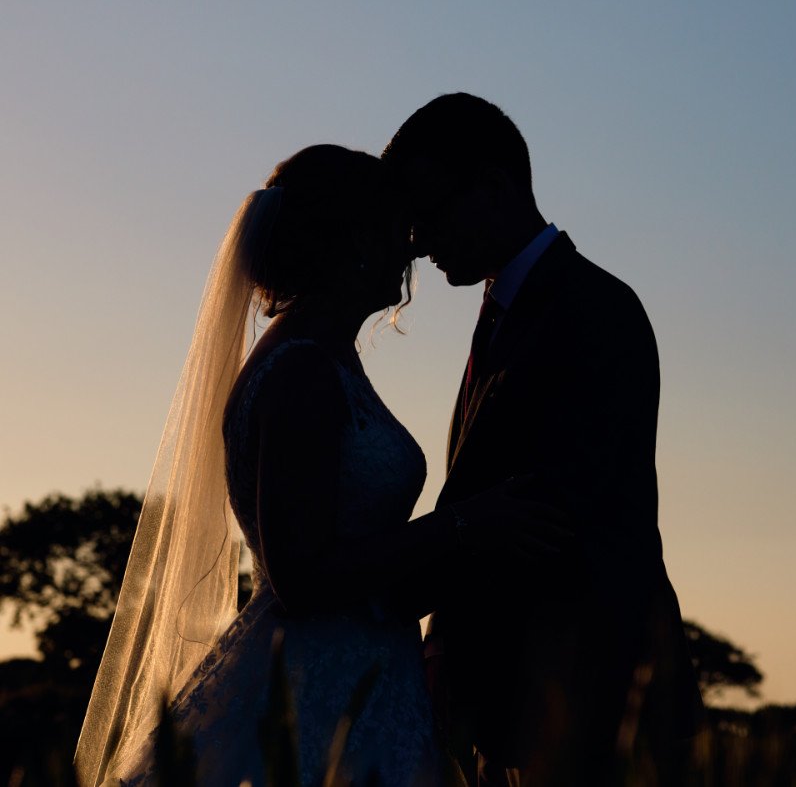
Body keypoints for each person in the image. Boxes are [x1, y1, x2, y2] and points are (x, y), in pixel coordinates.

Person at [74, 145, 563, 787]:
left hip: (364, 672)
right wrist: (461, 526)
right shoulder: (299, 372)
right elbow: (300, 576)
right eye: (398, 229)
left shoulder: (325, 359)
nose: (412, 249)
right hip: (318, 687)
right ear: (357, 241)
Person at [382, 94, 702, 786]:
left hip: (582, 703)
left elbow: (559, 520)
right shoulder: (506, 311)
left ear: (493, 185)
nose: (415, 238)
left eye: (427, 210)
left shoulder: (596, 310)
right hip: (512, 707)